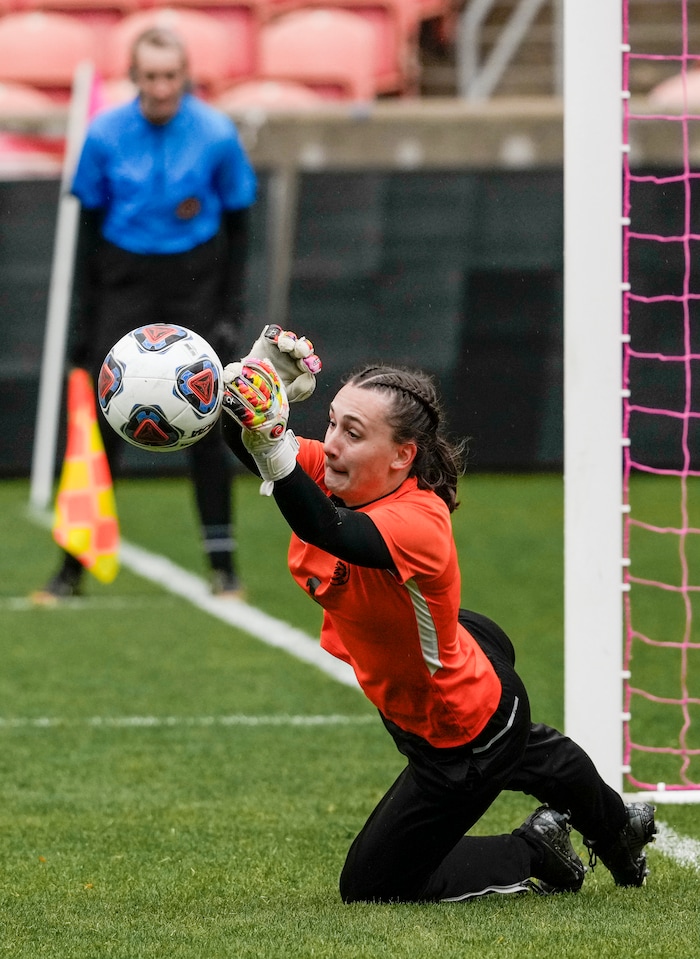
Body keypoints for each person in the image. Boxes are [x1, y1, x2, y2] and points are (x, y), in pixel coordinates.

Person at [219, 347, 657, 902]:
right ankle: (619, 823)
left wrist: (270, 436)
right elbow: (256, 448)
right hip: (463, 659)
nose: (330, 443)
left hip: (456, 731)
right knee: (522, 745)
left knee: (371, 886)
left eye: (352, 433)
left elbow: (328, 529)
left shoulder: (417, 522)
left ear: (402, 456)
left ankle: (537, 849)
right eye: (330, 422)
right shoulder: (339, 472)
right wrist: (247, 382)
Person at [33, 25, 257, 603]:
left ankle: (224, 568)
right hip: (123, 287)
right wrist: (85, 322)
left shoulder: (216, 133)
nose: (161, 87)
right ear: (134, 78)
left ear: (185, 77)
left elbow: (240, 224)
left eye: (170, 75)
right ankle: (71, 569)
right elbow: (85, 230)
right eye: (150, 76)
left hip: (193, 288)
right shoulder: (104, 134)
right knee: (99, 431)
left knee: (209, 424)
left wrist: (230, 310)